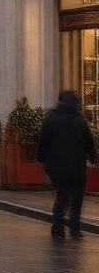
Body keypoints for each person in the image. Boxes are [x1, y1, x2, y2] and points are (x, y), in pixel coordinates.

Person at [37, 90, 97, 240]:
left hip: (57, 166)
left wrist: (42, 158)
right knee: (77, 198)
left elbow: (43, 140)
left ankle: (58, 228)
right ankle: (74, 228)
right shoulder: (80, 119)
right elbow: (89, 142)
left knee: (61, 197)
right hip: (77, 166)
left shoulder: (51, 118)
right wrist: (93, 158)